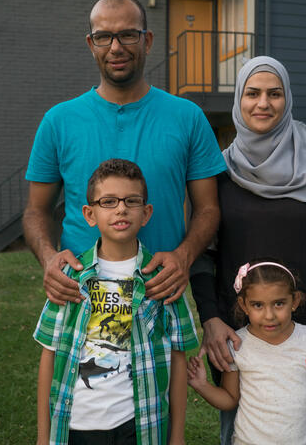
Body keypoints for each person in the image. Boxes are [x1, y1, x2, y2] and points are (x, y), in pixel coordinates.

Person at [24, 0, 226, 307]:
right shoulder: (58, 121)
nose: (116, 47)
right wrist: (49, 258)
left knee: (172, 360)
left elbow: (208, 209)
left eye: (128, 35)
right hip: (80, 295)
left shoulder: (187, 118)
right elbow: (36, 210)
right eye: (104, 37)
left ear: (147, 40)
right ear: (91, 44)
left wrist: (183, 256)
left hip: (159, 292)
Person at [190, 56, 306, 443]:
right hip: (234, 336)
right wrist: (211, 319)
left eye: (274, 94)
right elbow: (202, 256)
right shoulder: (216, 173)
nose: (263, 103)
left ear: (287, 100)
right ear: (239, 101)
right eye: (252, 93)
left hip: (304, 330)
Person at [35, 159, 199, 445]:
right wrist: (42, 437)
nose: (121, 208)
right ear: (90, 214)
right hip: (76, 425)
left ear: (146, 213)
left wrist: (178, 436)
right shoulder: (70, 277)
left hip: (139, 426)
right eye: (108, 201)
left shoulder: (164, 280)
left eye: (131, 201)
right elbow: (49, 355)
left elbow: (178, 358)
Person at [187, 260, 306, 445]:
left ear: (295, 301)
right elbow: (230, 399)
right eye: (258, 305)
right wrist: (201, 385)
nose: (269, 315)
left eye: (279, 304)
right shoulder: (238, 345)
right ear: (244, 305)